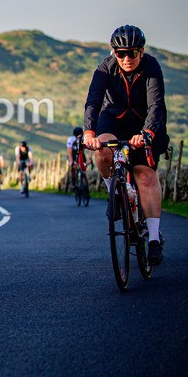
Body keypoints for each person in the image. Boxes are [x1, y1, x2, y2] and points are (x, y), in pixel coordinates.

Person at [83, 24, 169, 265]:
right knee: (100, 150)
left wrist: (148, 132)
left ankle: (153, 238)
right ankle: (115, 193)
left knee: (144, 176)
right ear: (114, 52)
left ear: (141, 51)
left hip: (144, 122)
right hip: (114, 117)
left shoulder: (151, 67)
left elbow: (156, 105)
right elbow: (93, 101)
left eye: (132, 52)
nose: (126, 58)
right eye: (121, 53)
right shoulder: (105, 68)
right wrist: (89, 132)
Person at [67, 126, 93, 196]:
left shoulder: (84, 139)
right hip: (73, 155)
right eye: (76, 136)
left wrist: (89, 159)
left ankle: (85, 190)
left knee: (83, 170)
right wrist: (71, 162)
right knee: (73, 167)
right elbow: (69, 152)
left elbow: (90, 149)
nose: (78, 137)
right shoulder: (71, 140)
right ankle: (73, 181)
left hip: (81, 155)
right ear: (74, 136)